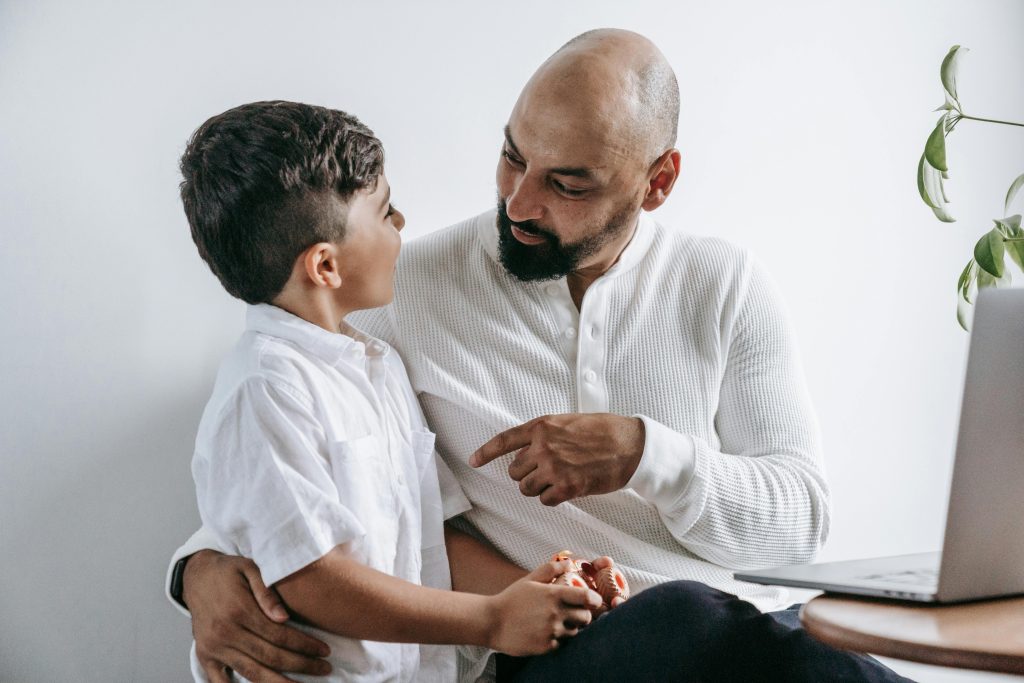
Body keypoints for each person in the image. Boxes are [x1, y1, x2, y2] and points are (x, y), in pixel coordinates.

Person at [169, 31, 913, 682]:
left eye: (567, 183)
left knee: (764, 629)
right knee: (679, 615)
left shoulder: (724, 283)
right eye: (511, 157)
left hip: (743, 637)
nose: (519, 204)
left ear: (658, 182)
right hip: (561, 658)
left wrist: (647, 454)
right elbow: (301, 473)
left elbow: (801, 524)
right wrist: (196, 569)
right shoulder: (398, 289)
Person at [176, 100, 607, 682]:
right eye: (385, 212)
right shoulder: (267, 390)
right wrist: (489, 621)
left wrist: (548, 595)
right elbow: (310, 577)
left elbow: (431, 534)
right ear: (325, 267)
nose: (401, 223)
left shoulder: (376, 365)